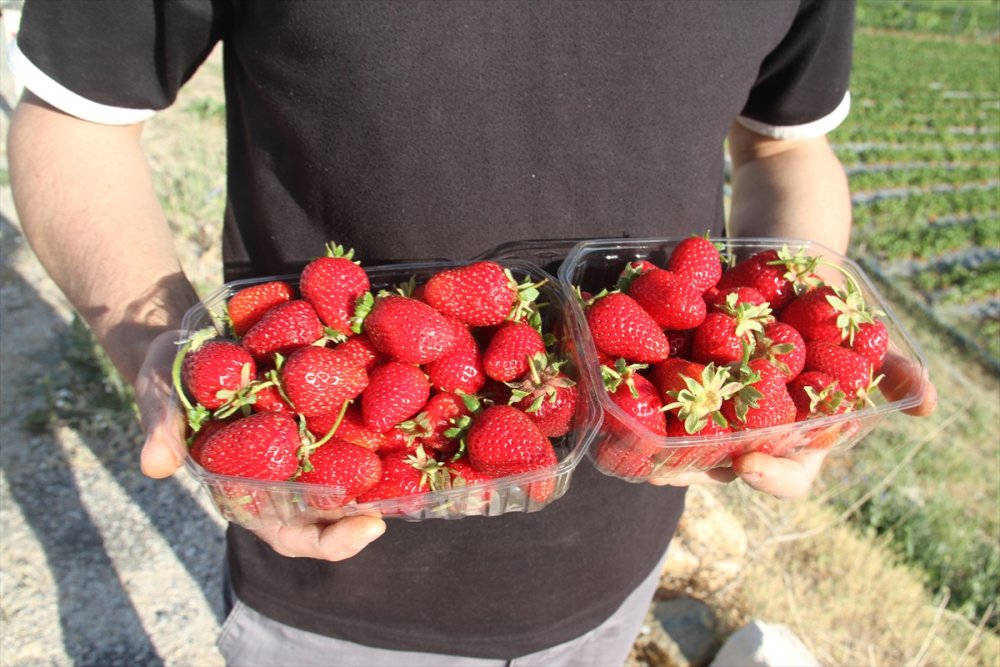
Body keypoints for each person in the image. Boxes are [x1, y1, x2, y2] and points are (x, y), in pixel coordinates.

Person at [7, 1, 936, 665]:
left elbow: (782, 145)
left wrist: (804, 352)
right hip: (336, 563)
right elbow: (77, 120)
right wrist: (160, 346)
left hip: (621, 540)